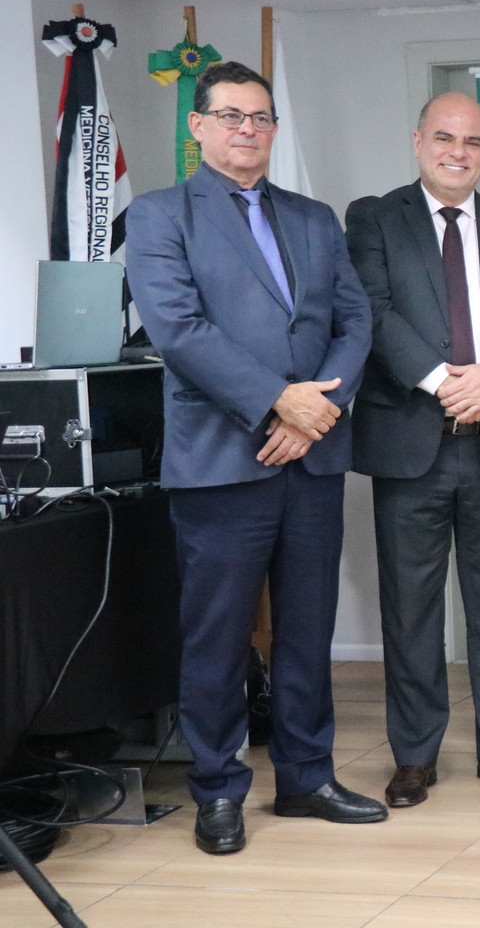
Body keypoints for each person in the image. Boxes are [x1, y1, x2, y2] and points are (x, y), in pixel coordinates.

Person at [126, 61, 382, 854]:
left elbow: (354, 320)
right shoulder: (160, 215)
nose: (248, 130)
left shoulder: (313, 217)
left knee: (307, 630)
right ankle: (217, 789)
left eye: (261, 117)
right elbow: (178, 330)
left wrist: (315, 413)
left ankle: (306, 778)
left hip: (310, 459)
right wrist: (279, 400)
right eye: (232, 116)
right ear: (198, 126)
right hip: (221, 463)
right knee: (219, 639)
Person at [346, 92, 480, 808]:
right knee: (411, 610)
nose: (457, 152)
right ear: (418, 141)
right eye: (444, 137)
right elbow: (373, 311)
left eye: (472, 141)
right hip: (411, 443)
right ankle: (414, 756)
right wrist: (445, 382)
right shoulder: (375, 218)